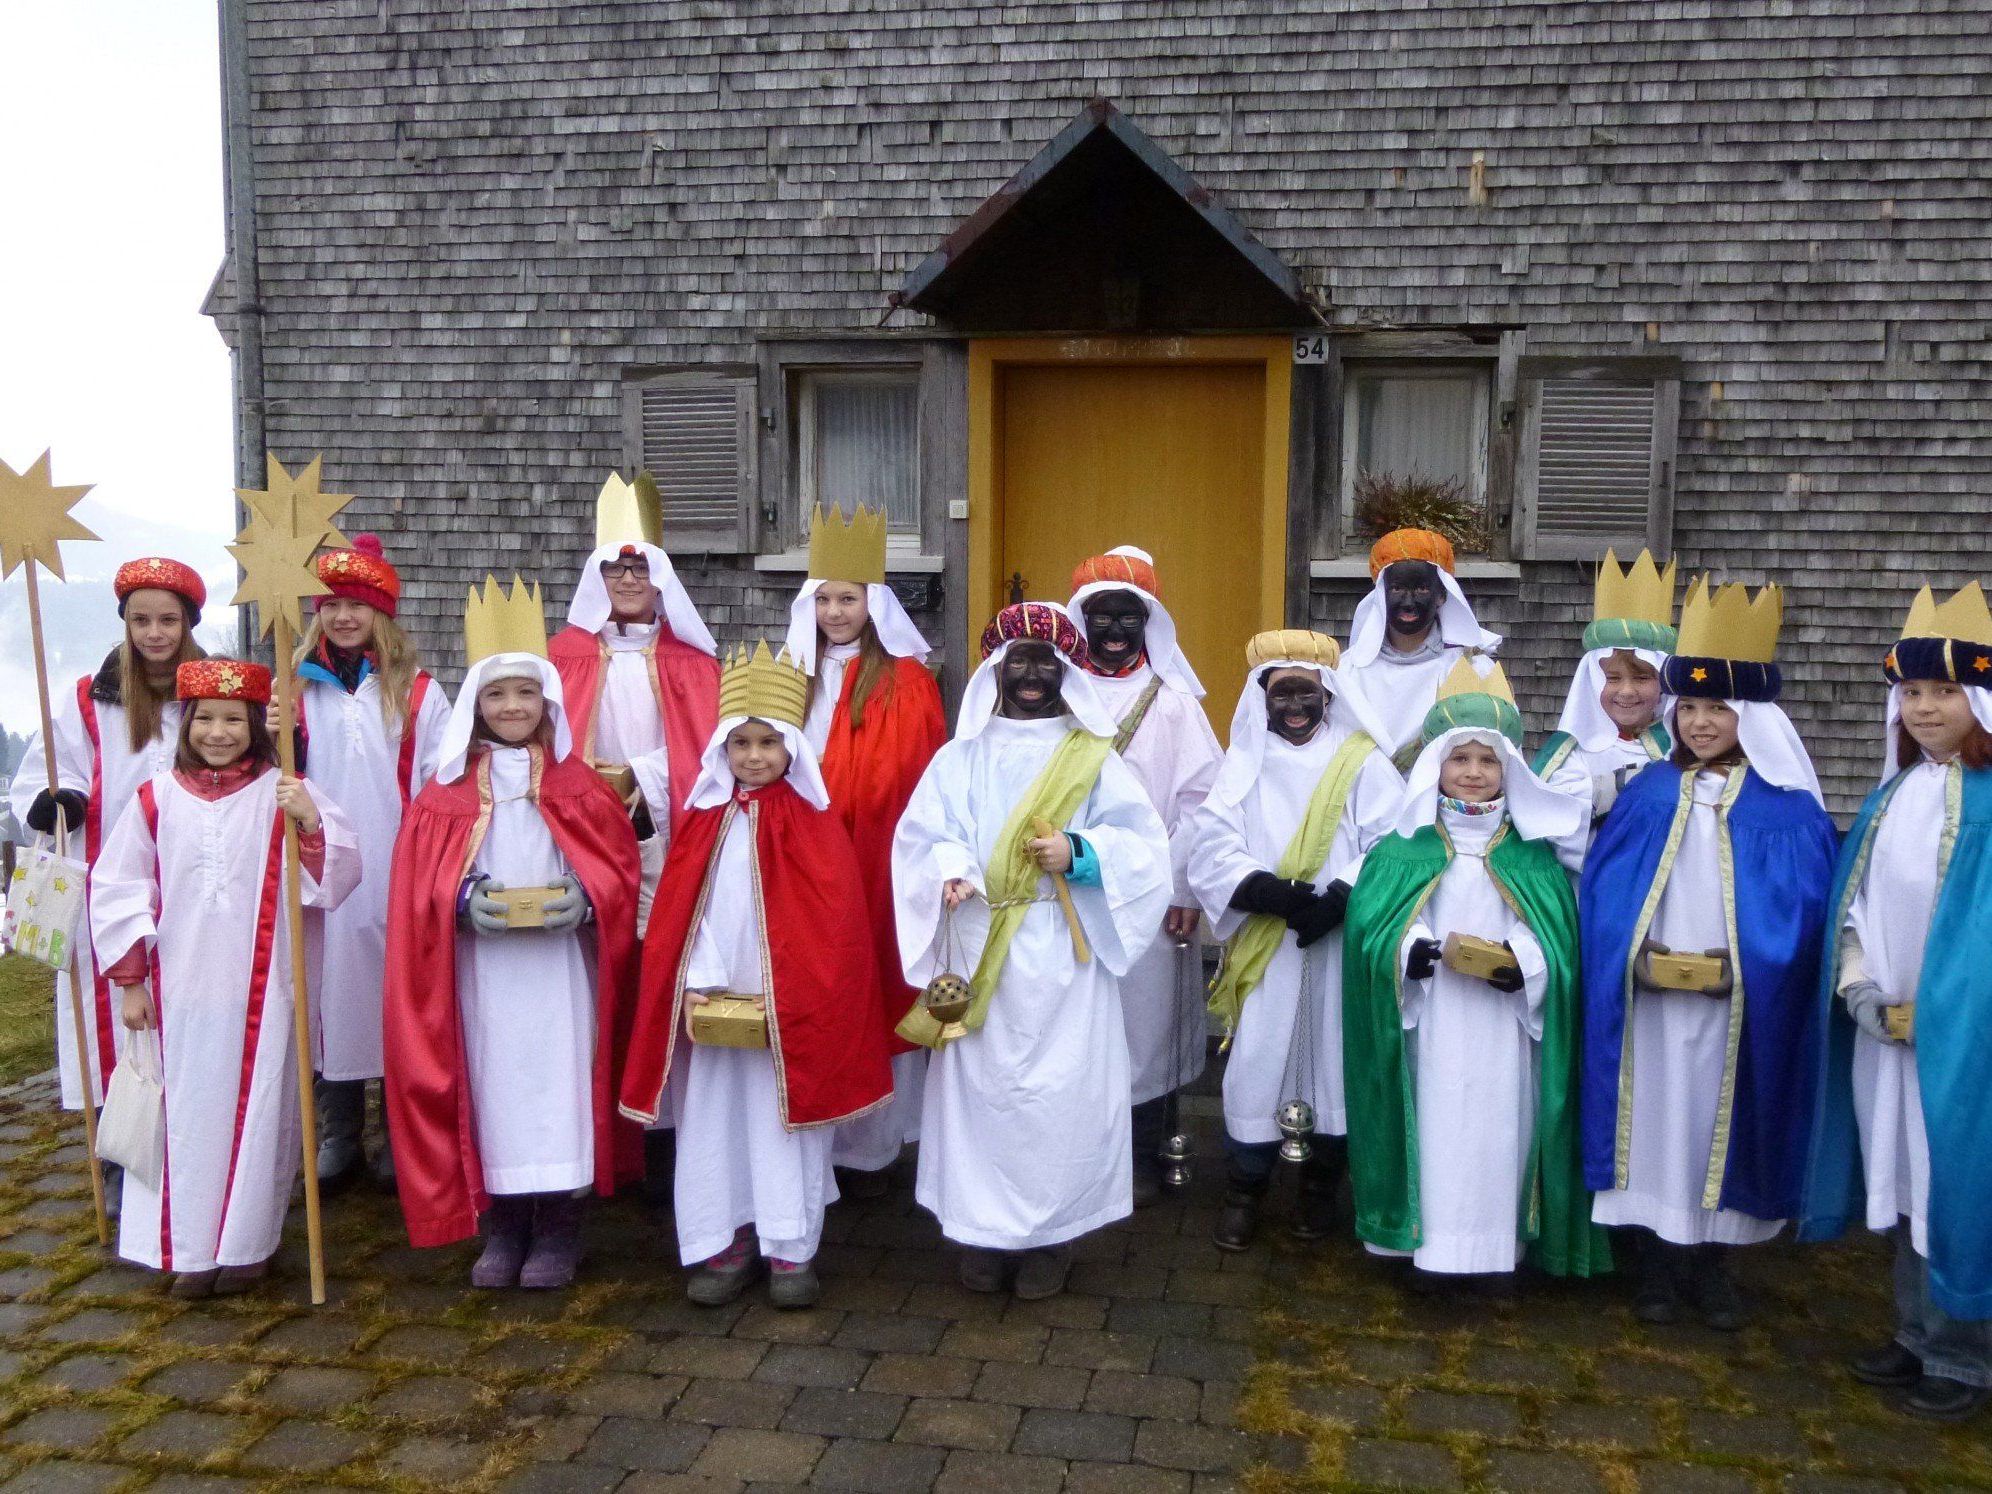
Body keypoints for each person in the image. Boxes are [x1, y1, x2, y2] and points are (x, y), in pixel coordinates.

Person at [891, 603, 1172, 1299]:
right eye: (1019, 660)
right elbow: (925, 835)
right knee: (986, 1097)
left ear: (1067, 673)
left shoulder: (1092, 758)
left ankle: (1054, 1236)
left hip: (1062, 950)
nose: (1032, 674)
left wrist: (1080, 851)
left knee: (1058, 1099)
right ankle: (983, 1231)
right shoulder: (961, 756)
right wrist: (951, 870)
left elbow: (1143, 845)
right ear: (995, 670)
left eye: (1047, 662)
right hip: (982, 944)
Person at [1581, 579, 1837, 1329]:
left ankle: (1715, 1266)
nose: (1698, 723)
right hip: (1652, 1006)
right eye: (1688, 707)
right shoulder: (1648, 795)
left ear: (1751, 717)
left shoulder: (1789, 812)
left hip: (1737, 1009)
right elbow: (1603, 900)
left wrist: (1748, 970)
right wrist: (1633, 956)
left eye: (1717, 709)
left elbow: (1805, 920)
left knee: (1716, 1124)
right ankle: (1657, 1265)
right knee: (1657, 1118)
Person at [382, 577, 641, 1288]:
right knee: (492, 1086)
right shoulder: (442, 796)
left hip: (560, 973)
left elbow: (619, 870)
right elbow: (415, 888)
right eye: (497, 695)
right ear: (475, 705)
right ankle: (504, 1225)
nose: (513, 707)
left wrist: (587, 897)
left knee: (559, 1085)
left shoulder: (581, 785)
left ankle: (559, 1226)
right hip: (482, 974)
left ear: (548, 701)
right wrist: (462, 901)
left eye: (526, 693)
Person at [621, 643, 893, 1309]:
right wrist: (699, 979)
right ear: (721, 748)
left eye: (768, 742)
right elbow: (685, 911)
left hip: (789, 1009)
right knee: (714, 1120)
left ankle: (790, 1246)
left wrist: (791, 991)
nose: (753, 756)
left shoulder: (816, 824)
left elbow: (833, 925)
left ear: (792, 747)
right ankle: (725, 1240)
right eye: (740, 743)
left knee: (785, 1122)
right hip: (715, 1001)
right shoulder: (704, 820)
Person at [90, 659, 359, 1297]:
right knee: (183, 1118)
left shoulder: (283, 792)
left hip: (265, 990)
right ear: (186, 723)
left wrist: (311, 822)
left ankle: (245, 1245)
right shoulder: (156, 798)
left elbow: (335, 880)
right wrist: (132, 980)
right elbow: (120, 886)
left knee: (263, 1110)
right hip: (179, 992)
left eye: (234, 720)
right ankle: (188, 1247)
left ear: (255, 726)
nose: (218, 732)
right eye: (205, 718)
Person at [1342, 659, 1607, 1290]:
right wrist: (1410, 952)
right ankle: (1432, 1250)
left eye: (1488, 760)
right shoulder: (1403, 846)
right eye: (1459, 758)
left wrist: (1525, 964)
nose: (1473, 771)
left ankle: (1495, 1250)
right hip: (1431, 1021)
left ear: (1508, 770)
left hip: (1500, 1028)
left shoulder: (1531, 854)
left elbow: (1554, 934)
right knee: (1435, 1131)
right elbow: (1376, 927)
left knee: (1499, 1129)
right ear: (1435, 765)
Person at [1801, 583, 1992, 1421]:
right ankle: (1916, 1334)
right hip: (1892, 1030)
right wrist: (1863, 991)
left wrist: (1949, 1013)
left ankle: (1964, 1356)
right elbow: (1857, 907)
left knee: (1960, 1180)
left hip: (1969, 1041)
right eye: (1911, 691)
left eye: (1945, 690)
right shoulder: (1893, 795)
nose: (1924, 708)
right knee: (1908, 1174)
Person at [1188, 630, 1399, 1249]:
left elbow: (1392, 841)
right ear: (1263, 697)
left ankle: (1319, 1192)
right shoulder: (1244, 761)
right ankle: (1244, 1190)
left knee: (1334, 1060)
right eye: (1282, 694)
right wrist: (1265, 892)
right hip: (1267, 940)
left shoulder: (1363, 762)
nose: (1295, 705)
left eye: (1307, 692)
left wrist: (1340, 898)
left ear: (1329, 695)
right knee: (1257, 1061)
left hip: (1338, 940)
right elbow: (1212, 843)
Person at [549, 472, 719, 1181]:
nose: (626, 579)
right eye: (614, 569)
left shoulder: (692, 663)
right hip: (583, 839)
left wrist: (640, 781)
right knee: (594, 976)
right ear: (596, 577)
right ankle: (597, 1131)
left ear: (661, 579)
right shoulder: (561, 659)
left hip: (661, 836)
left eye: (639, 568)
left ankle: (664, 1131)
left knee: (661, 970)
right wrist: (591, 789)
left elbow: (705, 750)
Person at [776, 505, 945, 1199]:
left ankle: (873, 1146)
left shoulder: (906, 680)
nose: (835, 613)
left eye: (848, 599)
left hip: (874, 857)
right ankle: (813, 1136)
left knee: (875, 982)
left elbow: (911, 773)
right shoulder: (791, 672)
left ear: (873, 603)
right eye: (823, 600)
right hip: (801, 854)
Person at [10, 557, 207, 1114]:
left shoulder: (210, 693)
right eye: (141, 620)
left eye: (167, 620)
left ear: (187, 623)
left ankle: (191, 1122)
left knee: (192, 998)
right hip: (109, 872)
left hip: (192, 870)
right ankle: (119, 1129)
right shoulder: (88, 699)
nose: (154, 633)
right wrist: (59, 800)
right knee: (109, 1012)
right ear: (125, 622)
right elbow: (52, 769)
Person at [290, 534, 450, 1191]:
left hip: (396, 864)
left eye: (356, 604)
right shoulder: (296, 691)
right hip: (322, 866)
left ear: (381, 612)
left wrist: (432, 860)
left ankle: (396, 1131)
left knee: (394, 997)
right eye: (330, 605)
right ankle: (340, 1131)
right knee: (329, 994)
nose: (343, 617)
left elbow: (440, 779)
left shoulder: (417, 693)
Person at [1069, 546, 1222, 1205]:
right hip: (1068, 885)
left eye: (1127, 617)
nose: (1113, 630)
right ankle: (1080, 1150)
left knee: (1148, 1020)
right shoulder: (1055, 692)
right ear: (1081, 619)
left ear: (1149, 623)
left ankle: (1148, 1147)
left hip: (1151, 890)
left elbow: (1201, 801)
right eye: (1101, 616)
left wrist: (1183, 888)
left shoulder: (1174, 704)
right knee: (1077, 1019)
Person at [1536, 550, 1678, 867]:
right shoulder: (1569, 756)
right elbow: (1559, 831)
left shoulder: (1679, 749)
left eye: (1642, 678)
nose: (1626, 691)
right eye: (1612, 678)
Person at [1337, 528, 1502, 769]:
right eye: (1397, 588)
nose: (1408, 601)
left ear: (1441, 596)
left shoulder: (1474, 669)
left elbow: (1498, 754)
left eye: (1422, 589)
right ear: (1381, 595)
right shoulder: (1348, 671)